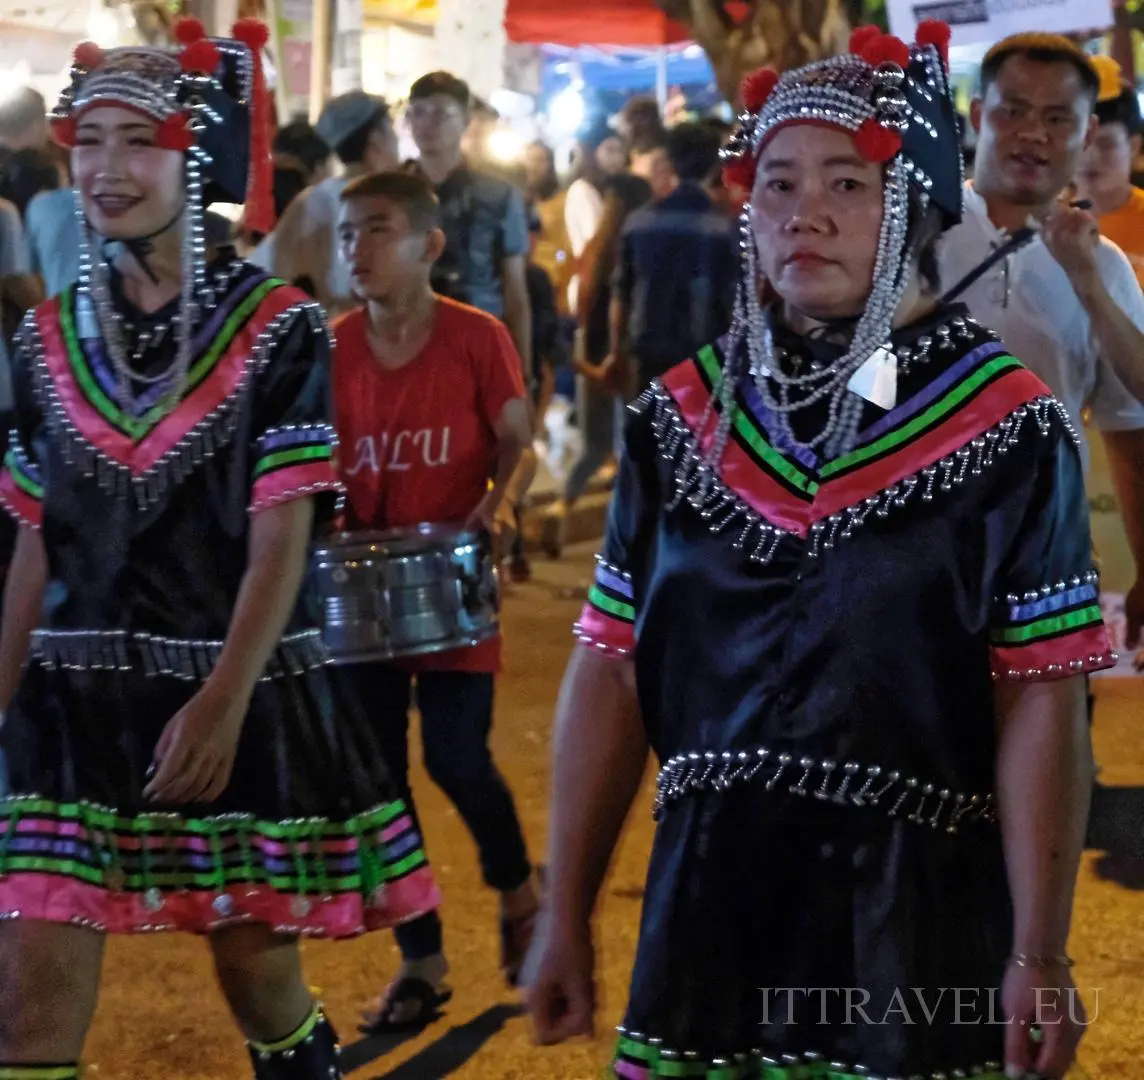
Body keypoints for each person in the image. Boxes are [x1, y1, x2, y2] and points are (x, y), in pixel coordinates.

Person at [525, 22, 1105, 1080]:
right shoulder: (680, 419)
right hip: (708, 912)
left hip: (913, 918)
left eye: (847, 183)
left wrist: (1037, 949)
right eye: (779, 183)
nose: (805, 215)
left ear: (913, 208)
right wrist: (564, 909)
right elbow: (611, 667)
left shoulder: (1007, 428)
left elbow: (1040, 698)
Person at [0, 23, 439, 1079]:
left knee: (258, 979)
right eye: (89, 140)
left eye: (137, 141)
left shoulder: (281, 329)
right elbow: (28, 544)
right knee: (23, 1004)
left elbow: (282, 534)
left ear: (195, 158)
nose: (106, 169)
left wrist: (226, 700)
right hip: (69, 709)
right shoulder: (44, 339)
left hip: (225, 696)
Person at [937, 33, 1144, 646]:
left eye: (1058, 119)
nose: (1033, 134)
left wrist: (1087, 283)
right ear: (979, 117)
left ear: (1084, 137)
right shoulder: (915, 236)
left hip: (1048, 556)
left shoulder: (1101, 263)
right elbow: (862, 386)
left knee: (1051, 734)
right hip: (910, 549)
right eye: (1014, 111)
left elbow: (1131, 419)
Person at [540, 173, 652, 559]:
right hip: (624, 356)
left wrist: (585, 360)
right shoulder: (635, 246)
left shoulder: (594, 250)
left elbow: (578, 306)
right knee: (629, 448)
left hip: (591, 351)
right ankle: (624, 539)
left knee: (593, 447)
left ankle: (561, 507)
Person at [610, 120, 737, 395]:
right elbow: (735, 303)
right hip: (705, 360)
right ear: (717, 164)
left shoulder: (638, 222)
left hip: (647, 356)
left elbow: (621, 294)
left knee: (648, 432)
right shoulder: (724, 227)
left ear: (670, 161)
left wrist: (616, 352)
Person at [251, 90, 399, 316]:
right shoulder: (343, 203)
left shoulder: (316, 199)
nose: (397, 140)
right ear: (375, 141)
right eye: (392, 131)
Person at [1074, 56, 1144, 287]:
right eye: (1081, 142)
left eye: (1107, 144)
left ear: (1134, 146)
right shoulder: (1039, 222)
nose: (1091, 156)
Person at [564, 117, 628, 315]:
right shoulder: (583, 190)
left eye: (619, 151)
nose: (616, 158)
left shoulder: (614, 190)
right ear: (592, 153)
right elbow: (598, 238)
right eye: (609, 150)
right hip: (593, 285)